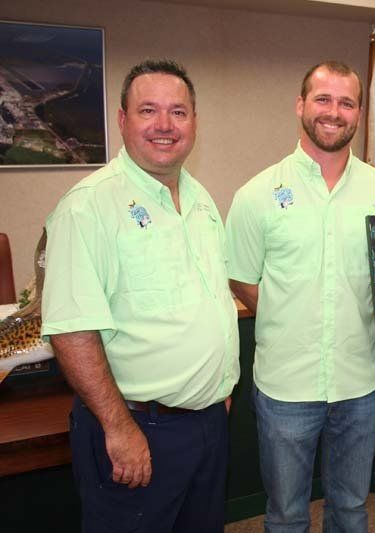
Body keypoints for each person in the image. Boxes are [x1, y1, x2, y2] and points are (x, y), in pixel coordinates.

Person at [41, 59, 239, 533]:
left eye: (179, 112)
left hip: (207, 426)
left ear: (195, 122)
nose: (165, 125)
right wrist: (118, 427)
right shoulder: (88, 208)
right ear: (123, 119)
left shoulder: (199, 199)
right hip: (138, 430)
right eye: (148, 110)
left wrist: (217, 391)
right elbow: (72, 330)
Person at [225, 60, 375, 532]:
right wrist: (289, 315)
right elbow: (242, 279)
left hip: (359, 384)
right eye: (323, 99)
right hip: (286, 386)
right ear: (300, 105)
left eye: (346, 102)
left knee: (350, 508)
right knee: (286, 514)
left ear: (359, 113)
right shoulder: (257, 195)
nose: (334, 111)